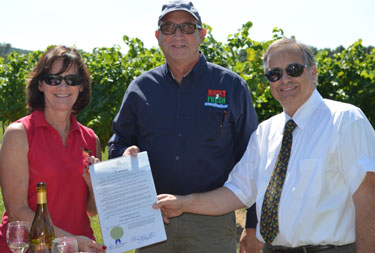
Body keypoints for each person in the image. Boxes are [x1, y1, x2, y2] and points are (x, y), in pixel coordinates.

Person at [154, 38, 375, 253]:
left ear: (313, 72)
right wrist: (183, 203)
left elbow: (368, 197)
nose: (284, 79)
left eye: (294, 69)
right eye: (274, 74)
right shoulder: (266, 132)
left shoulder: (345, 120)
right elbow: (237, 192)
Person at [108, 1, 260, 252]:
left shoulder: (231, 86)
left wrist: (252, 224)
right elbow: (118, 142)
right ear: (158, 37)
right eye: (168, 28)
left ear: (202, 35)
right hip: (153, 219)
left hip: (211, 222)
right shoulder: (140, 88)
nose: (178, 35)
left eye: (187, 27)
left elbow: (253, 159)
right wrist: (123, 155)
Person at [0, 46, 106, 252]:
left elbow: (91, 210)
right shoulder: (19, 134)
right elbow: (16, 210)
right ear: (40, 84)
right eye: (53, 79)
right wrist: (71, 241)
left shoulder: (91, 138)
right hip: (27, 248)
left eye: (72, 80)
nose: (63, 86)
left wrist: (94, 186)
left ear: (82, 86)